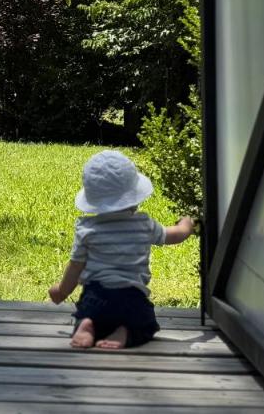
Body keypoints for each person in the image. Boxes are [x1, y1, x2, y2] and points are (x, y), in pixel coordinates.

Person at [47, 149, 196, 349]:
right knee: (146, 323)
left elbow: (75, 266)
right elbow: (174, 235)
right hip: (131, 298)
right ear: (134, 196)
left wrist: (62, 291)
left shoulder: (87, 229)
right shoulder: (144, 224)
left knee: (86, 314)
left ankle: (87, 325)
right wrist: (186, 224)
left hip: (96, 298)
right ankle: (125, 332)